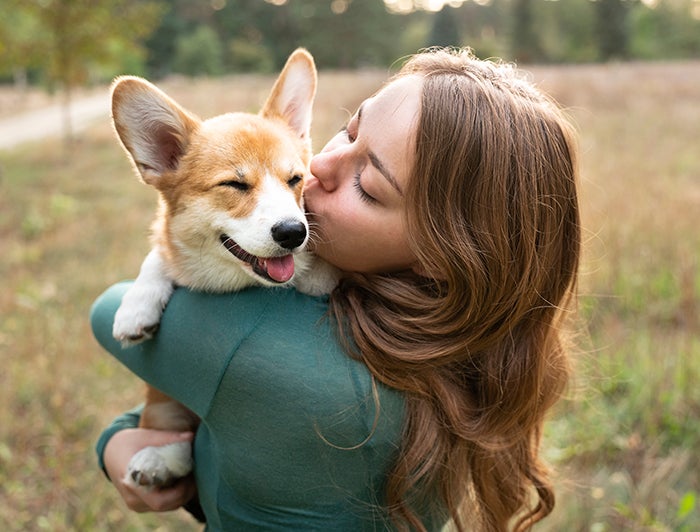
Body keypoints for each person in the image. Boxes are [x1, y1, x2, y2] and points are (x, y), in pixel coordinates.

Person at [91, 47, 581, 532]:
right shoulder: (458, 350)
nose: (314, 170)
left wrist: (113, 441)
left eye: (367, 184)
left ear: (441, 257)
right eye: (348, 131)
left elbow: (107, 314)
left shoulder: (254, 350)